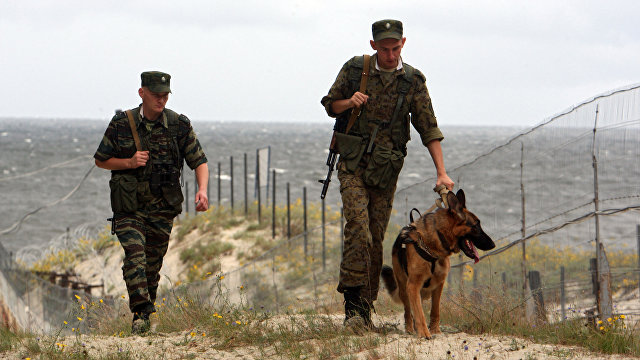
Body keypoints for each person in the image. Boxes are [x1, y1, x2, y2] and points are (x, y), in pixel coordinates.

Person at [320, 20, 454, 329]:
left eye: (395, 48)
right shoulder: (356, 69)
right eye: (384, 49)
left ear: (403, 43)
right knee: (357, 227)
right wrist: (349, 102)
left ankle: (366, 307)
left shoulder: (412, 81)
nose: (391, 55)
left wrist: (442, 172)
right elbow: (330, 105)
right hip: (352, 166)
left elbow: (428, 127)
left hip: (385, 172)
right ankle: (354, 310)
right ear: (373, 46)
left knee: (375, 239)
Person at [94, 71, 209, 334]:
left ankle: (143, 319)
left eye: (165, 95)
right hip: (129, 207)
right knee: (135, 255)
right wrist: (129, 163)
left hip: (162, 208)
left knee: (152, 266)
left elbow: (199, 161)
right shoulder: (122, 123)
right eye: (156, 95)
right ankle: (142, 314)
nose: (161, 100)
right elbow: (101, 159)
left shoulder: (178, 125)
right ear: (141, 93)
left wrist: (202, 190)